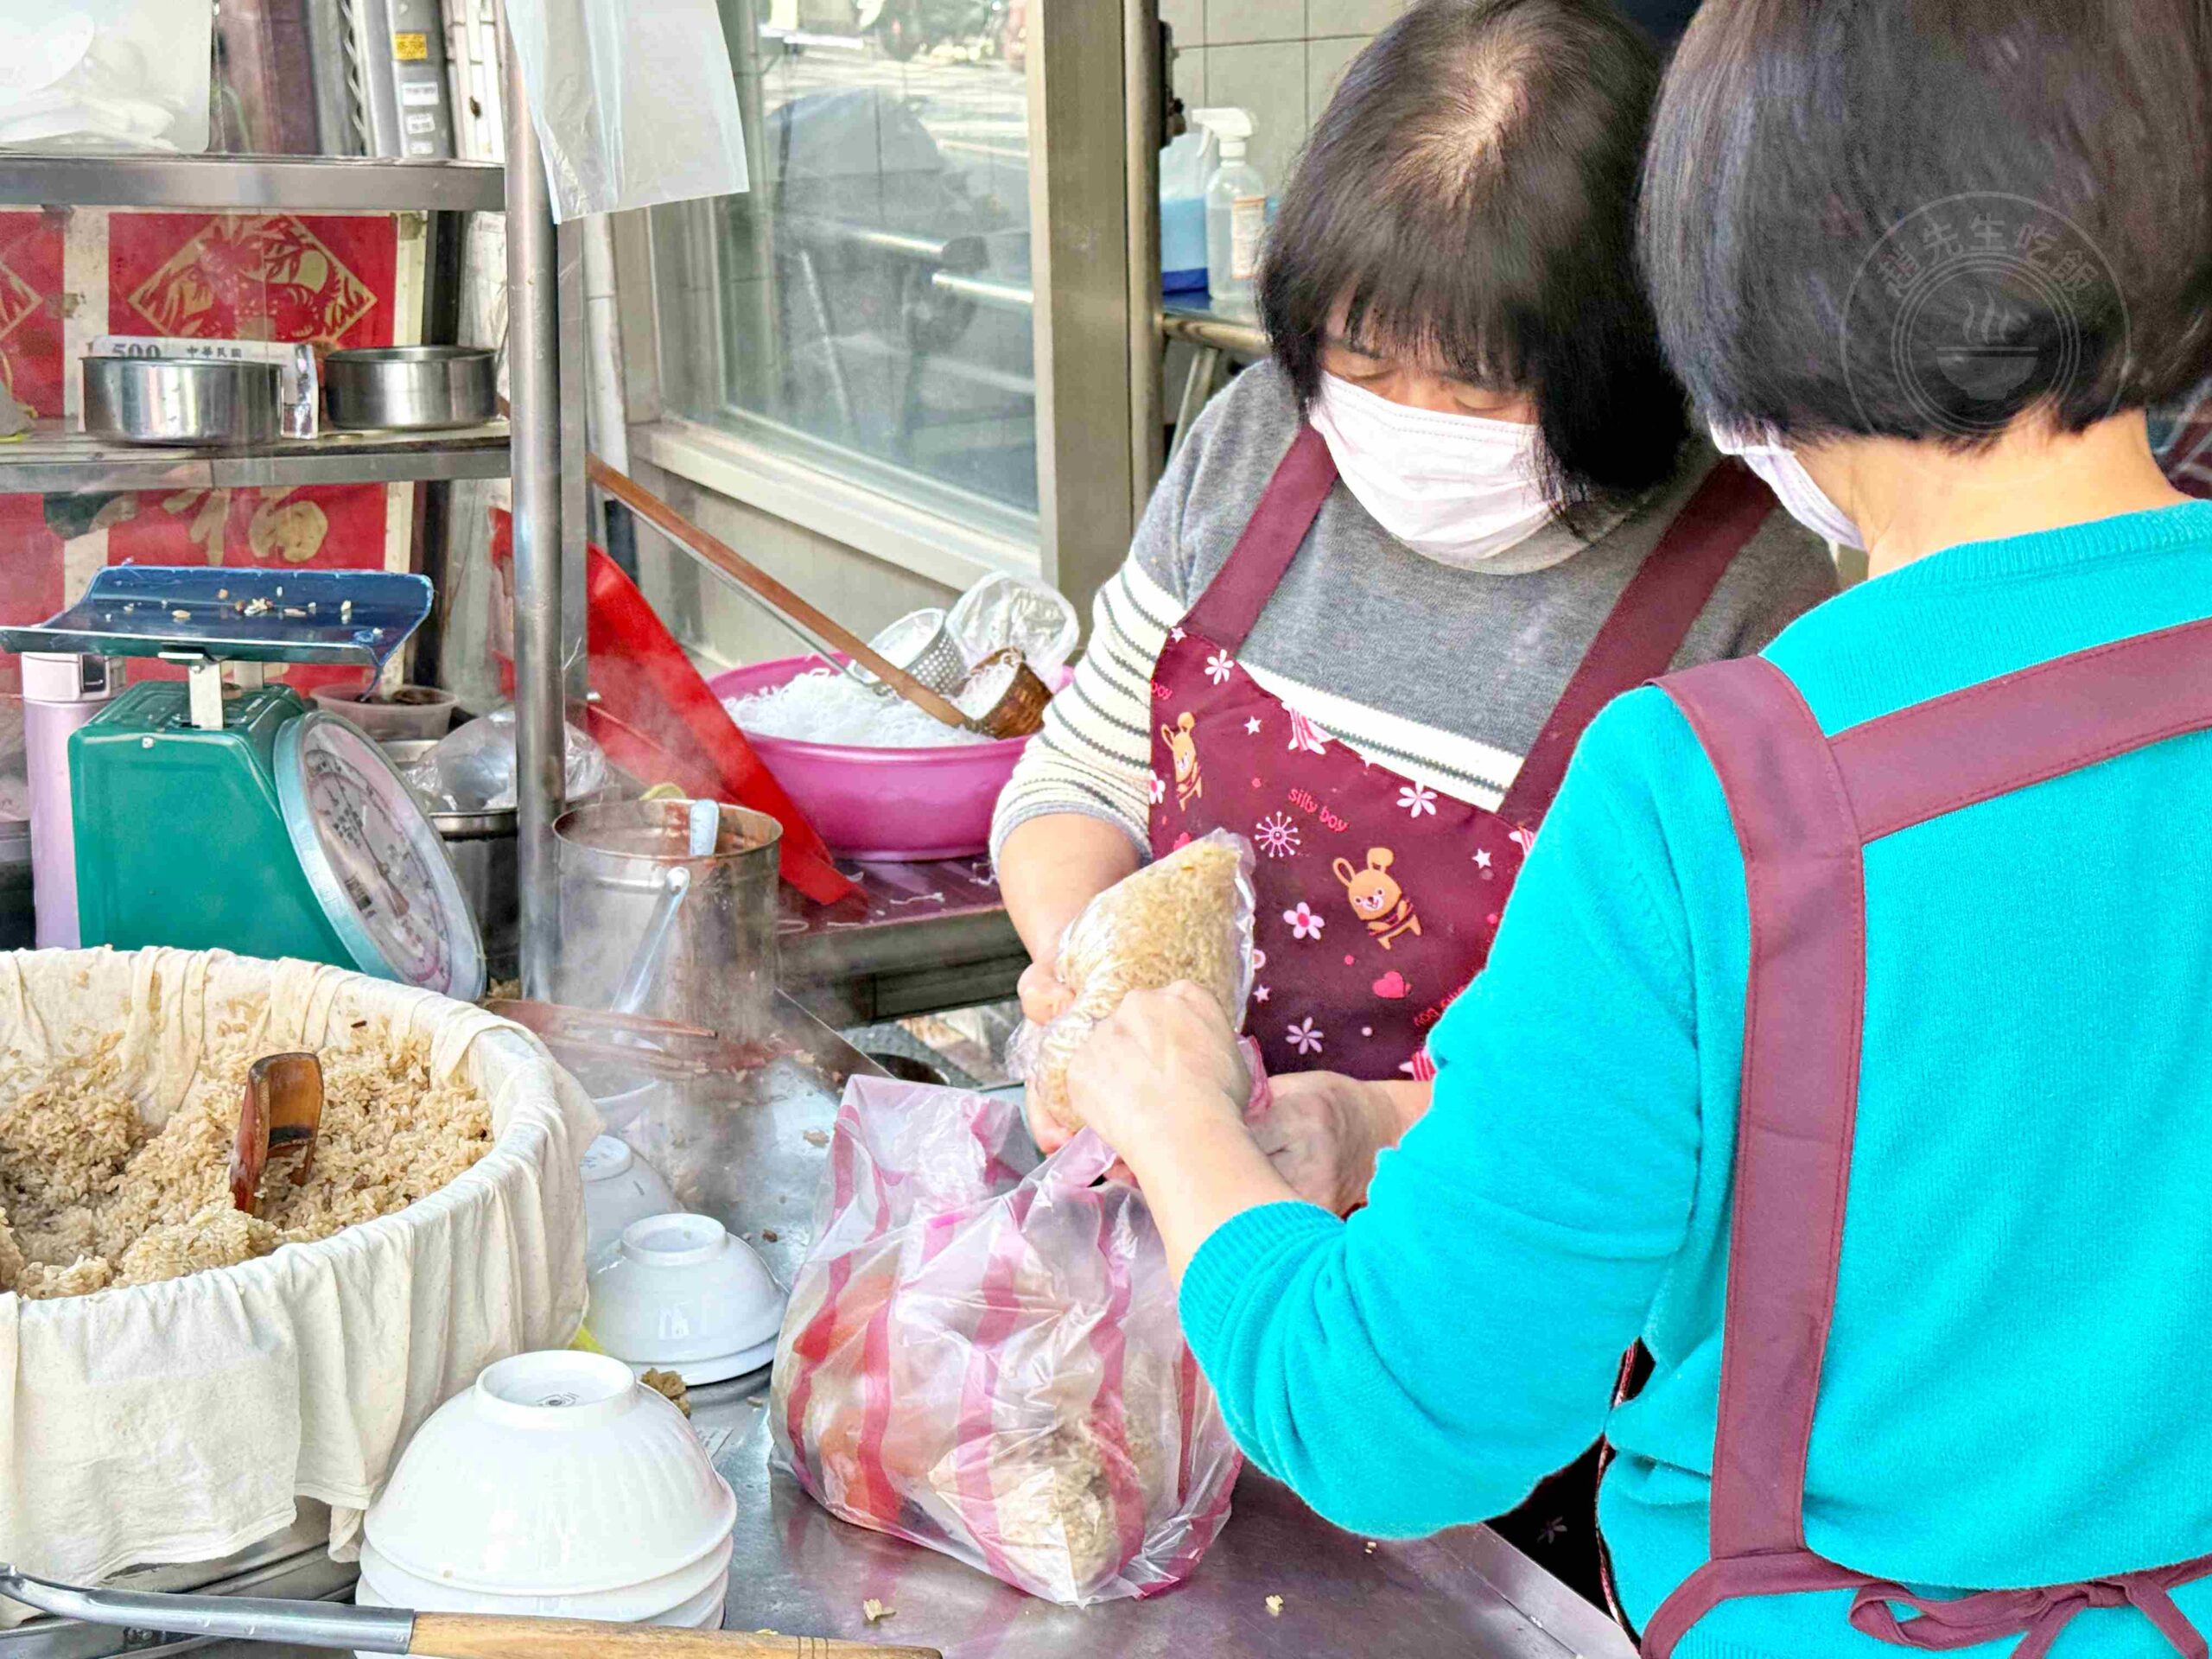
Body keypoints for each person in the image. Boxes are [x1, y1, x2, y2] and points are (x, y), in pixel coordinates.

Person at [1057, 2, 2212, 1656]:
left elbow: (1392, 1416)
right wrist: (1379, 1131)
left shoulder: (1720, 787)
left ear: (1729, 287)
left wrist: (1182, 1127)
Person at [994, 0, 1834, 1597]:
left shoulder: (1751, 587)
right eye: (1366, 360)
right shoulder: (1252, 449)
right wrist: (1091, 974)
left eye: (1483, 383)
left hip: (1501, 1388)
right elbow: (1084, 767)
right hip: (1174, 1283)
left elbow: (1710, 1083)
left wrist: (1364, 1127)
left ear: (1623, 356)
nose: (1410, 423)